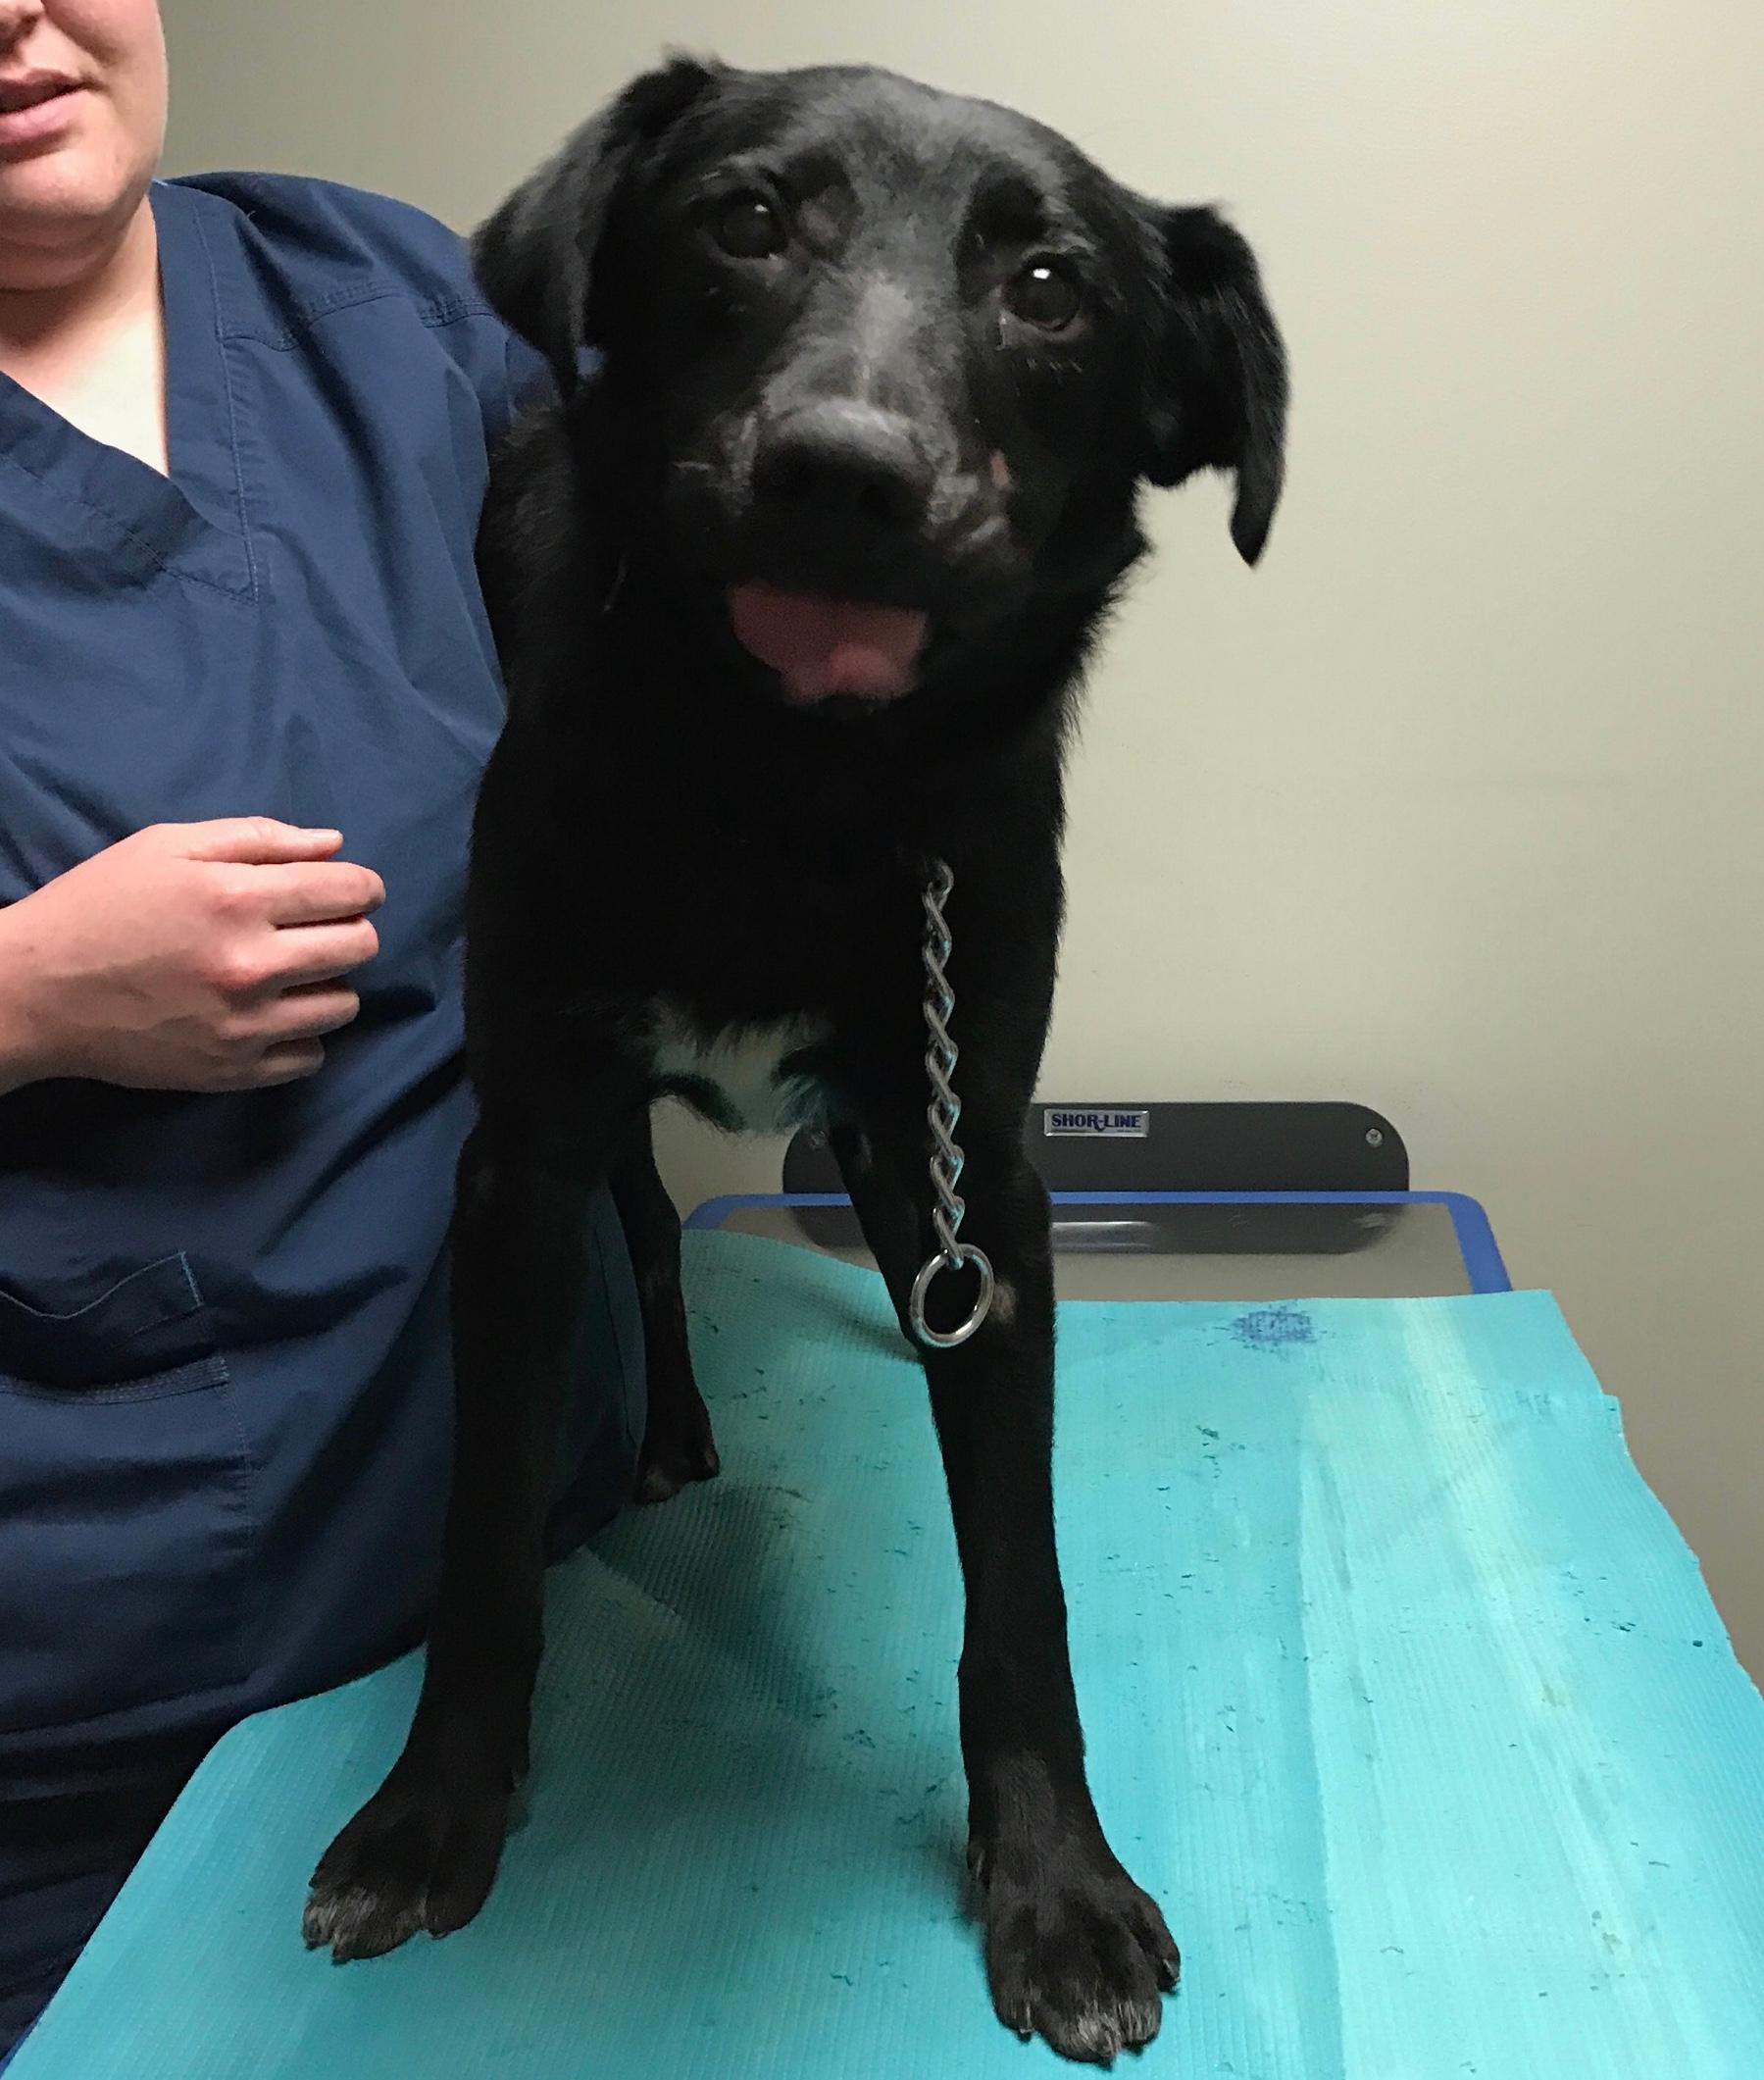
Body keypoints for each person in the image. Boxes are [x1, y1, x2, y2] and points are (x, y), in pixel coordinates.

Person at [0, 1, 644, 2054]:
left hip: (537, 1576)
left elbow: (723, 558)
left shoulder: (380, 301)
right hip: (84, 1699)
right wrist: (23, 991)